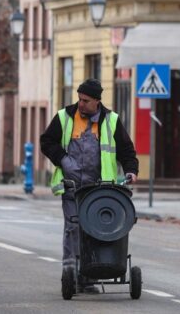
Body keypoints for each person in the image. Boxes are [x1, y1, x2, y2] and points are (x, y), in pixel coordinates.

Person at [40, 78, 138, 291]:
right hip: (72, 187)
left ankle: (88, 277)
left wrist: (131, 170)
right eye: (80, 99)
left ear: (97, 101)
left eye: (86, 101)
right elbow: (46, 142)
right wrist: (64, 160)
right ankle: (71, 275)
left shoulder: (111, 121)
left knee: (96, 230)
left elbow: (126, 150)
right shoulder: (65, 117)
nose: (81, 104)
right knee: (73, 228)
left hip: (99, 189)